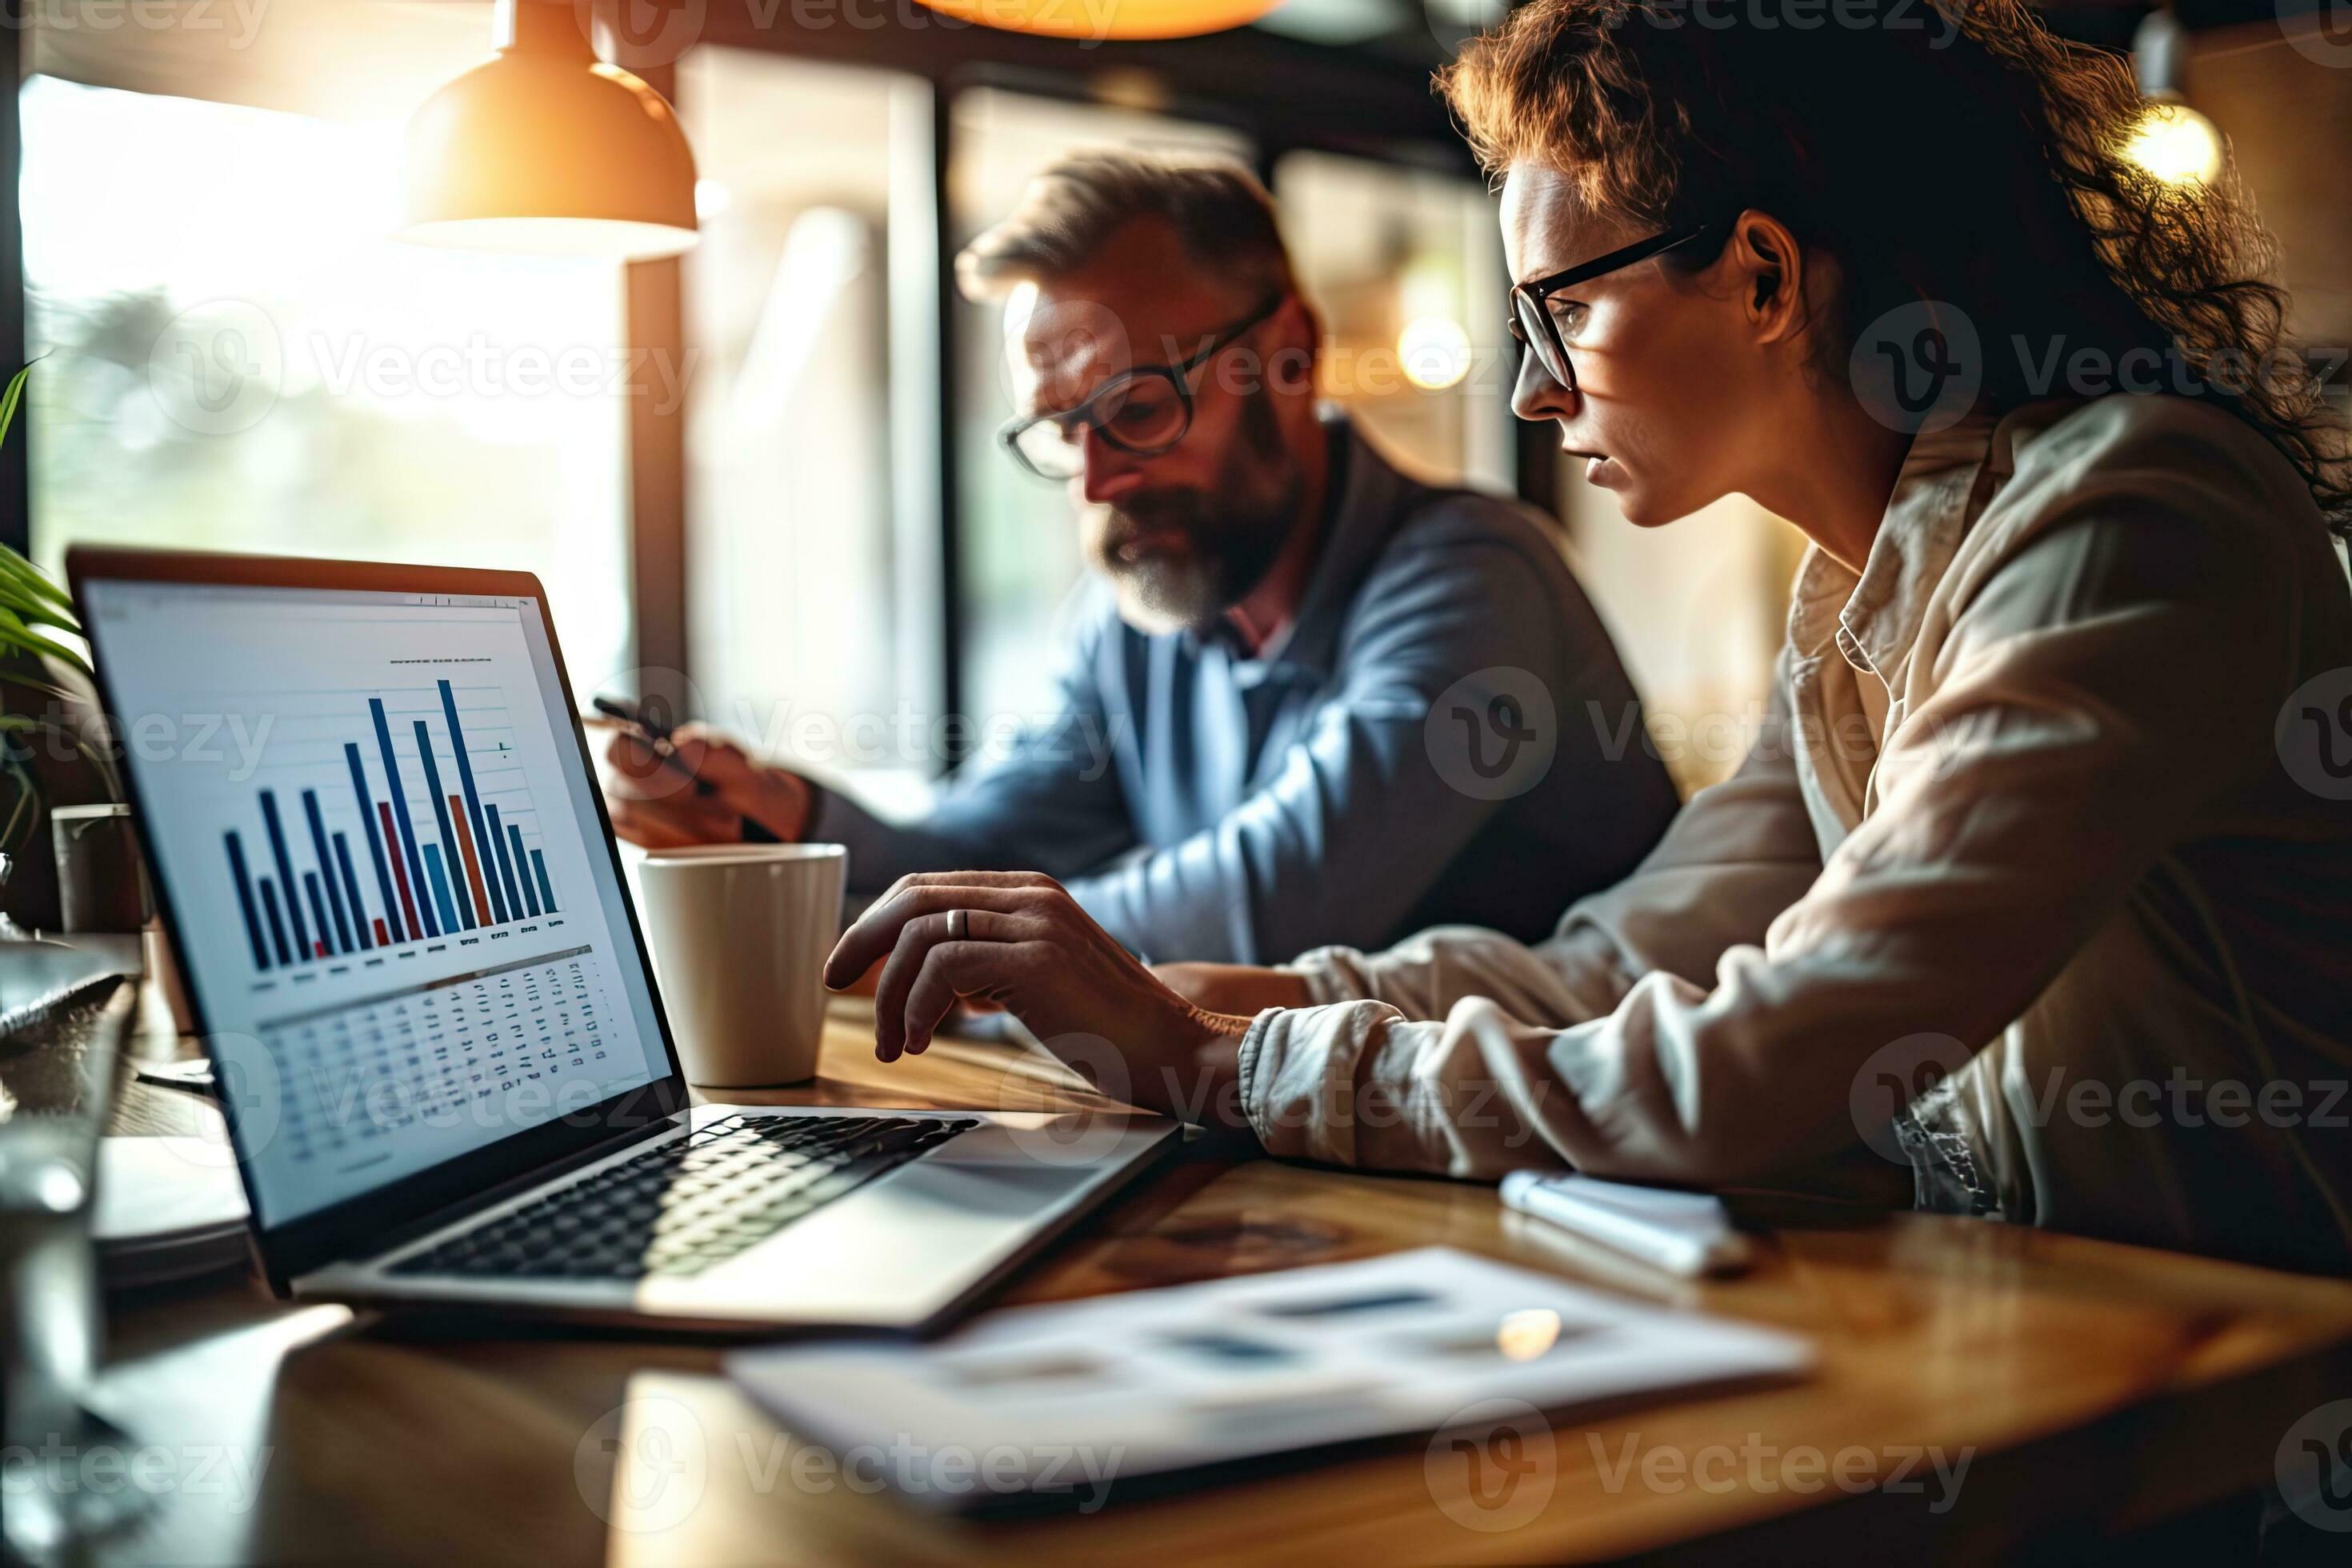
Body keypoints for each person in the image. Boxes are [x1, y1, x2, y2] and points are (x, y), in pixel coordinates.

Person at [822, 0, 2352, 1273]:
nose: (1532, 391)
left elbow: (1760, 1060)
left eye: (1559, 311)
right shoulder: (1860, 604)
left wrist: (1215, 1059)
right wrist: (1246, 1001)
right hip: (2066, 1354)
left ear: (1764, 275)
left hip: (2251, 1401)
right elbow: (1616, 965)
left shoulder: (2131, 518)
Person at [606, 152, 1678, 966]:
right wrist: (783, 816)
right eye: (1063, 431)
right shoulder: (1139, 611)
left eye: (1137, 410)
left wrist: (964, 937)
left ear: (1290, 357)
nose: (1098, 484)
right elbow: (992, 841)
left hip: (1578, 1166)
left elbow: (1275, 902)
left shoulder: (1475, 578)